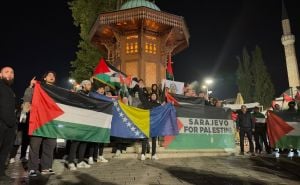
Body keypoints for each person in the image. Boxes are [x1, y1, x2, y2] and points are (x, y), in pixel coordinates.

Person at [26, 71, 58, 177]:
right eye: (49, 75)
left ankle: (46, 167)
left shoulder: (57, 91)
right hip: (38, 120)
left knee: (50, 145)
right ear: (44, 78)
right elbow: (28, 98)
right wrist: (31, 86)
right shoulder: (38, 87)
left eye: (53, 76)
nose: (52, 77)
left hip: (51, 122)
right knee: (35, 146)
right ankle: (32, 168)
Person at [67, 80, 92, 170]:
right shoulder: (78, 93)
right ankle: (70, 162)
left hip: (86, 120)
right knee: (76, 141)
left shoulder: (89, 95)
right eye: (88, 84)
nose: (90, 86)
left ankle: (80, 161)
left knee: (84, 140)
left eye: (90, 84)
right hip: (78, 120)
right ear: (84, 85)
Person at [0, 66, 16, 181]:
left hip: (9, 126)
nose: (9, 74)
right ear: (0, 75)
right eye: (6, 72)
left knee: (4, 152)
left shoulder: (9, 89)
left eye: (12, 72)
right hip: (1, 124)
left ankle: (1, 173)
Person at [138, 80, 161, 160]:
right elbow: (141, 98)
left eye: (155, 96)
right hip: (147, 123)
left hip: (155, 124)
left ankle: (153, 154)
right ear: (150, 96)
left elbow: (164, 111)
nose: (153, 96)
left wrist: (170, 105)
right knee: (145, 138)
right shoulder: (147, 103)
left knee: (154, 139)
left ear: (156, 97)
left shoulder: (159, 105)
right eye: (152, 95)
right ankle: (143, 154)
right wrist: (140, 89)